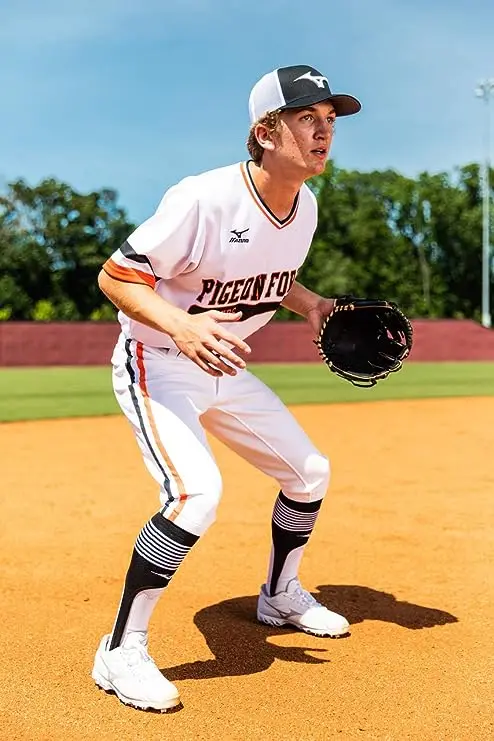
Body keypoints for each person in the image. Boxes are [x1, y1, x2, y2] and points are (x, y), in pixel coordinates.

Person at [92, 64, 361, 712]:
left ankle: (279, 593)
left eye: (329, 121)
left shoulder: (306, 207)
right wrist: (181, 326)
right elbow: (116, 277)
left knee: (310, 472)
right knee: (195, 494)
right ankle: (120, 648)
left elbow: (268, 277)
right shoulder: (204, 198)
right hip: (159, 359)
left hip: (224, 365)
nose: (323, 132)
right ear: (265, 132)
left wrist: (313, 305)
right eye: (307, 118)